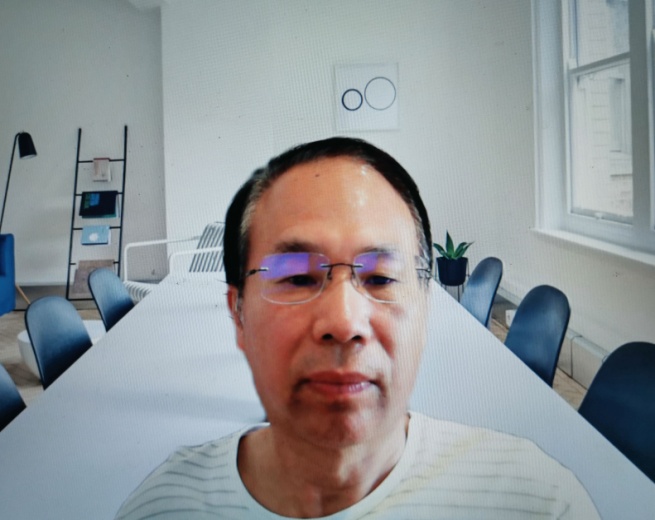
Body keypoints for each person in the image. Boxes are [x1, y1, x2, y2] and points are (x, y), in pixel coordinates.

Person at [115, 137, 599, 519]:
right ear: (237, 313)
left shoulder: (538, 504)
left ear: (426, 309)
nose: (344, 322)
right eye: (296, 277)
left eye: (382, 277)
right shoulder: (162, 508)